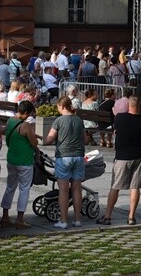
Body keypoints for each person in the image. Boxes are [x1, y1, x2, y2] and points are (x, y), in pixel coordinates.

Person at [98, 94, 141, 225]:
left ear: (128, 106)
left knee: (115, 187)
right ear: (140, 106)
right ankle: (131, 217)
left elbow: (114, 120)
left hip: (122, 157)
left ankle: (108, 216)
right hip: (138, 156)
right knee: (135, 187)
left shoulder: (120, 118)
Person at [44, 95, 86, 229]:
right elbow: (85, 140)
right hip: (79, 157)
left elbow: (49, 139)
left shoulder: (59, 120)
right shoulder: (79, 120)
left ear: (62, 106)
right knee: (77, 189)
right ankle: (78, 219)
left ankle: (63, 220)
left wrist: (42, 139)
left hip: (64, 157)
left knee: (63, 190)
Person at [0, 100, 39, 229]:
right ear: (26, 113)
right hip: (25, 161)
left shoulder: (10, 121)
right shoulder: (26, 126)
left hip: (11, 159)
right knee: (24, 189)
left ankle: (5, 217)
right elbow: (34, 143)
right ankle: (20, 220)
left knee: (10, 187)